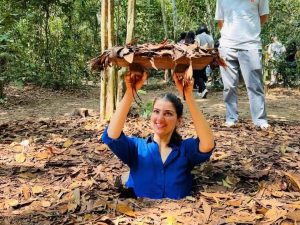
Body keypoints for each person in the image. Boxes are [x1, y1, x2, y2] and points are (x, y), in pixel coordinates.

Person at [101, 69, 215, 199]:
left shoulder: (184, 150)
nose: (160, 119)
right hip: (138, 216)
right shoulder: (137, 148)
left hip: (179, 216)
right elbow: (112, 135)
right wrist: (130, 92)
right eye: (156, 111)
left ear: (179, 121)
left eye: (168, 113)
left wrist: (188, 96)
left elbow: (207, 144)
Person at [215, 0, 270, 129]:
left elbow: (263, 17)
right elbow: (220, 20)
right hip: (227, 46)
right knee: (229, 86)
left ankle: (260, 120)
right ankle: (231, 118)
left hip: (250, 45)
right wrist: (230, 36)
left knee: (255, 86)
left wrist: (249, 32)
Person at [184, 31, 207, 98]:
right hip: (197, 62)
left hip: (188, 63)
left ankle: (203, 89)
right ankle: (202, 90)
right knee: (198, 76)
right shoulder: (195, 42)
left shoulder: (186, 42)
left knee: (192, 77)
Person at [195, 25, 215, 98]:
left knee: (197, 74)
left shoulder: (198, 37)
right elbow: (212, 49)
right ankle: (201, 91)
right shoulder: (210, 37)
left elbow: (196, 47)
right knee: (202, 73)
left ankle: (203, 89)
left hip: (200, 58)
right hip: (208, 58)